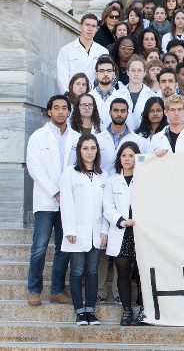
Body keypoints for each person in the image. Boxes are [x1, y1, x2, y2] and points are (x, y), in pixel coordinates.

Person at [26, 96, 79, 307]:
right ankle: (34, 290)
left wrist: (67, 193)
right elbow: (34, 168)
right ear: (49, 112)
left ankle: (57, 290)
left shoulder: (76, 138)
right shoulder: (38, 137)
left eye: (64, 108)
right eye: (55, 108)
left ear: (69, 112)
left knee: (64, 247)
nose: (59, 112)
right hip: (46, 201)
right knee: (39, 246)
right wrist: (55, 192)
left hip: (69, 202)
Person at [59, 134, 108, 326]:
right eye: (85, 148)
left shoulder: (103, 175)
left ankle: (91, 311)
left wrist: (104, 231)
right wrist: (69, 229)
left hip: (96, 232)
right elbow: (67, 203)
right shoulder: (70, 173)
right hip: (76, 232)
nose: (89, 152)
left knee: (93, 271)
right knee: (78, 271)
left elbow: (106, 207)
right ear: (79, 151)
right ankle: (79, 311)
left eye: (93, 148)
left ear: (97, 151)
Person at [102, 142, 146, 326]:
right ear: (119, 158)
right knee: (123, 272)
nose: (127, 159)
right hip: (122, 232)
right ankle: (127, 311)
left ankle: (145, 309)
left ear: (137, 158)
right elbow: (108, 208)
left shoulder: (145, 178)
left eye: (131, 155)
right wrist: (122, 221)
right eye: (124, 155)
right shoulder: (112, 181)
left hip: (142, 232)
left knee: (144, 272)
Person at [57, 14, 109, 92]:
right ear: (80, 27)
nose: (90, 29)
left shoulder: (103, 51)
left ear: (97, 29)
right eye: (87, 25)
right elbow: (62, 78)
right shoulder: (66, 50)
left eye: (93, 26)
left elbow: (105, 75)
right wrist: (70, 95)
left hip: (95, 97)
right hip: (72, 98)